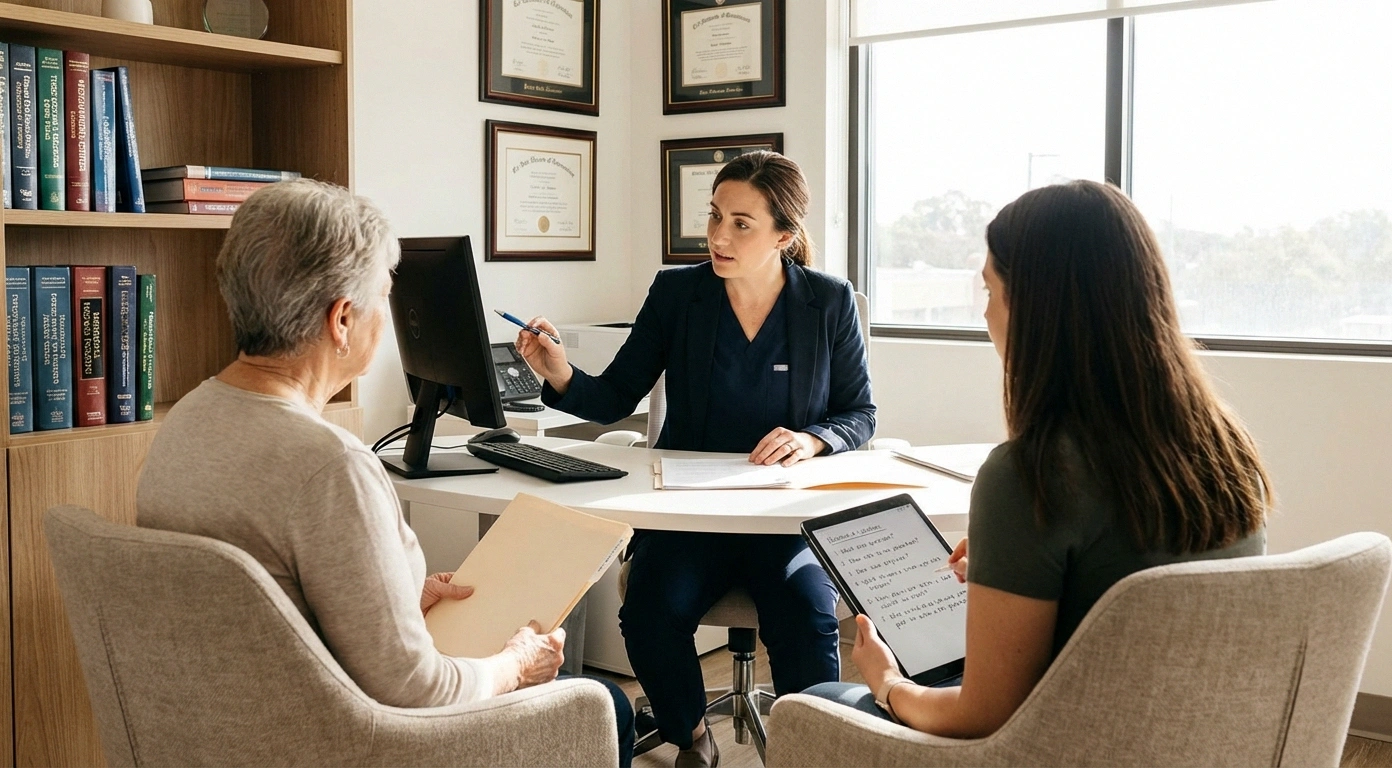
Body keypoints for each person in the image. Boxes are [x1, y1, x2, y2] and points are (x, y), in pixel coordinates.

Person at [135, 180, 635, 767]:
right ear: (343, 319)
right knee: (605, 703)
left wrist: (393, 596)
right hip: (349, 746)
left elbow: (261, 615)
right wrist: (515, 663)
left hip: (237, 734)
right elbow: (418, 692)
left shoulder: (186, 419)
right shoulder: (331, 468)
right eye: (385, 298)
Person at [802, 180, 1271, 736]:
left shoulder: (1032, 477)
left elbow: (982, 718)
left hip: (1068, 747)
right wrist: (1021, 566)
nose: (985, 316)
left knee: (820, 698)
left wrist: (888, 683)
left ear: (1037, 308)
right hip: (1189, 739)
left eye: (991, 293)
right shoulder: (1224, 447)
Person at [515, 151, 876, 767]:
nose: (717, 235)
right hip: (689, 515)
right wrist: (560, 374)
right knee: (650, 610)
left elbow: (859, 414)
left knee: (807, 618)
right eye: (714, 216)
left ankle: (808, 753)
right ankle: (691, 735)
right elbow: (612, 397)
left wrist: (813, 438)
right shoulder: (678, 293)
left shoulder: (828, 302)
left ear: (783, 236)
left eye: (741, 223)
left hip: (781, 520)